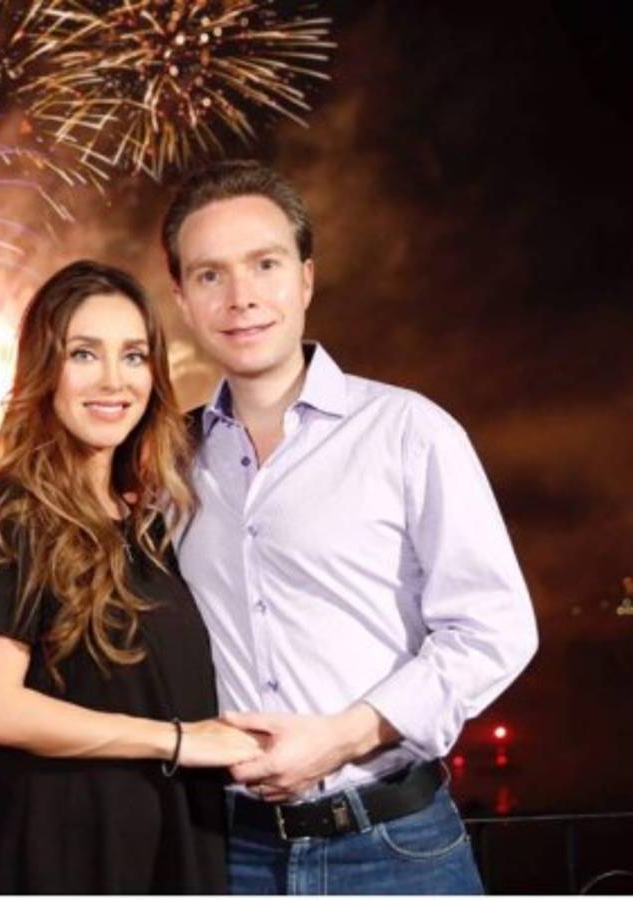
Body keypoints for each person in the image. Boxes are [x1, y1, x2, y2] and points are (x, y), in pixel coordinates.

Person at [162, 161, 539, 894]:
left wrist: (345, 734)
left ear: (305, 278)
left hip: (394, 849)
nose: (241, 297)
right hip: (228, 855)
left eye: (264, 264)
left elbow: (494, 628)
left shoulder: (408, 431)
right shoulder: (169, 461)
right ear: (181, 298)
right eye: (209, 275)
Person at [0, 260, 260, 893]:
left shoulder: (150, 519)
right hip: (65, 855)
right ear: (45, 370)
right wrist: (177, 741)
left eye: (133, 356)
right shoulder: (14, 507)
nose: (114, 380)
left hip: (171, 842)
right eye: (84, 354)